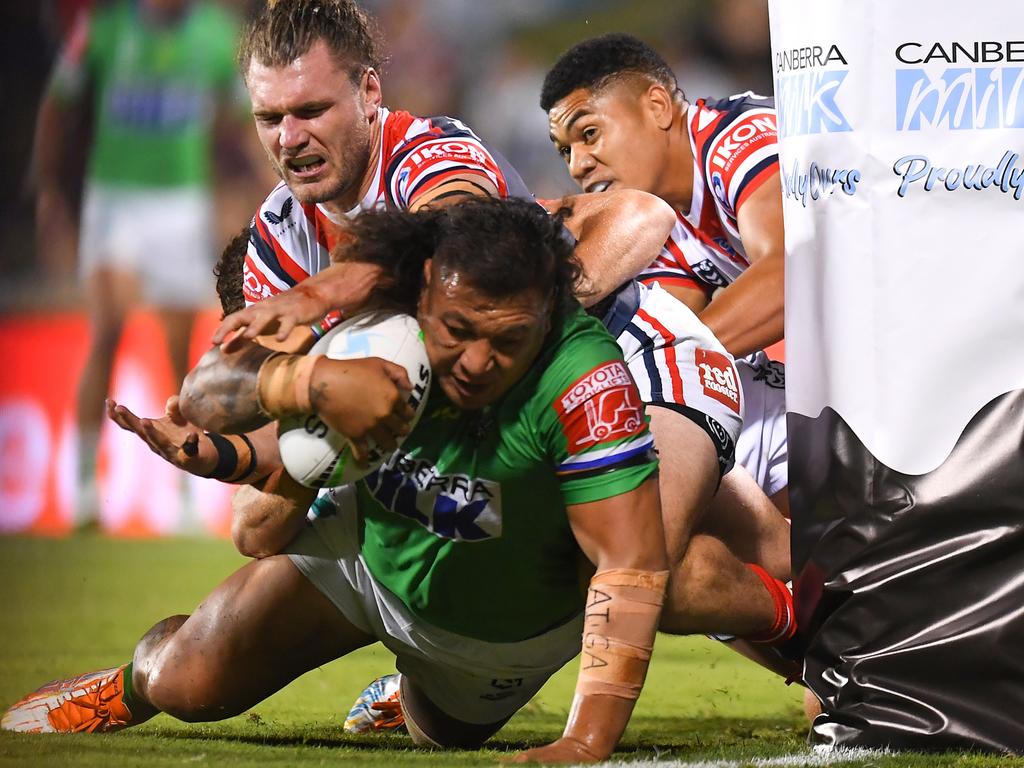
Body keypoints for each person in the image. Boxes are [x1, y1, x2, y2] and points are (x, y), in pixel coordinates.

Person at [3, 198, 669, 766]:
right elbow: (211, 389)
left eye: (507, 342)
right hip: (362, 543)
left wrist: (583, 740)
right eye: (458, 331)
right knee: (187, 685)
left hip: (498, 635)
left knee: (439, 734)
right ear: (431, 285)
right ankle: (128, 686)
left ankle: (405, 691)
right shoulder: (388, 314)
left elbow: (631, 564)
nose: (475, 363)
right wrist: (277, 405)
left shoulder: (587, 381)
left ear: (548, 315)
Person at [541, 33, 789, 514]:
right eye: (563, 151)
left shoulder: (740, 137)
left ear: (657, 106)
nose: (578, 165)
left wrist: (661, 367)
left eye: (589, 134)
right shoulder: (658, 215)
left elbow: (789, 276)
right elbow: (673, 332)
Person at [33, 0, 254, 525]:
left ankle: (184, 493)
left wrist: (266, 187)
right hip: (116, 201)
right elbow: (59, 104)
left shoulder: (218, 37)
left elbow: (243, 119)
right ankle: (84, 489)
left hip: (181, 204)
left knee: (180, 356)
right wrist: (46, 189)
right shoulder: (103, 29)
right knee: (107, 327)